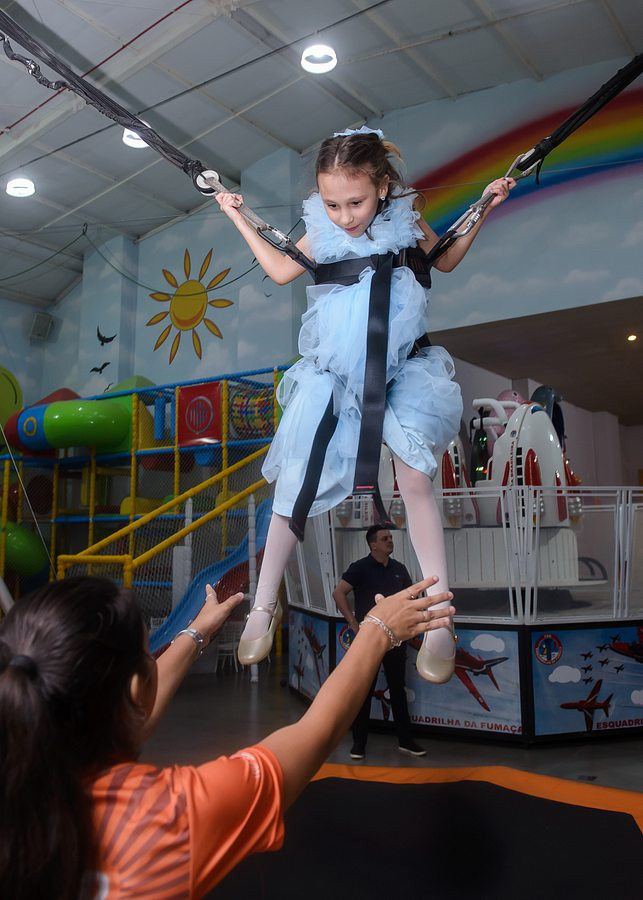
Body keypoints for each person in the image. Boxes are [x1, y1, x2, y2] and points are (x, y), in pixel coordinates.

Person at [215, 126, 514, 678]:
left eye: (355, 202)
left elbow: (445, 260)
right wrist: (237, 215)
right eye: (332, 204)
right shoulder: (321, 229)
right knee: (296, 480)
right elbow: (280, 269)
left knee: (415, 477)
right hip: (333, 373)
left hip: (404, 366)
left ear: (381, 187)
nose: (345, 216)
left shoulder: (405, 218)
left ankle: (440, 614)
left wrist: (484, 207)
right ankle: (263, 603)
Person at [0, 574, 453, 900]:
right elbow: (315, 733)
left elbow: (128, 712)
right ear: (138, 690)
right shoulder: (168, 820)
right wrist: (378, 630)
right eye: (147, 655)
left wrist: (198, 632)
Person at [333, 524, 426, 759]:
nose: (389, 541)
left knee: (397, 689)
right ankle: (359, 743)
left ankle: (405, 741)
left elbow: (410, 599)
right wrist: (353, 623)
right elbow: (338, 592)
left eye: (390, 538)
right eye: (385, 539)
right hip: (369, 639)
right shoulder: (360, 568)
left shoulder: (399, 569)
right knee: (364, 690)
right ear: (373, 545)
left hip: (396, 639)